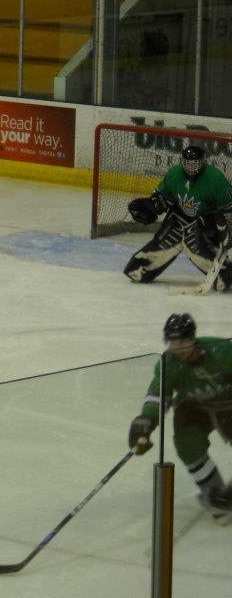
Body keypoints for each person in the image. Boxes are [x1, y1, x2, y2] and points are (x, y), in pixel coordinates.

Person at [128, 313, 232, 516]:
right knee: (187, 444)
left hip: (229, 403)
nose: (178, 347)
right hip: (193, 407)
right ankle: (214, 493)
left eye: (183, 340)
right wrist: (146, 419)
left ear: (193, 338)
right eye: (173, 341)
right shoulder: (169, 363)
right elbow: (158, 393)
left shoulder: (221, 350)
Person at [124, 144, 232, 289]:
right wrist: (153, 206)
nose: (191, 168)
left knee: (222, 279)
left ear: (203, 162)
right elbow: (163, 198)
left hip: (206, 223)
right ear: (182, 161)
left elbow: (228, 210)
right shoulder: (174, 174)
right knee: (136, 271)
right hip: (179, 218)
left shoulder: (216, 180)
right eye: (187, 163)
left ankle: (226, 274)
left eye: (195, 164)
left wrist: (223, 230)